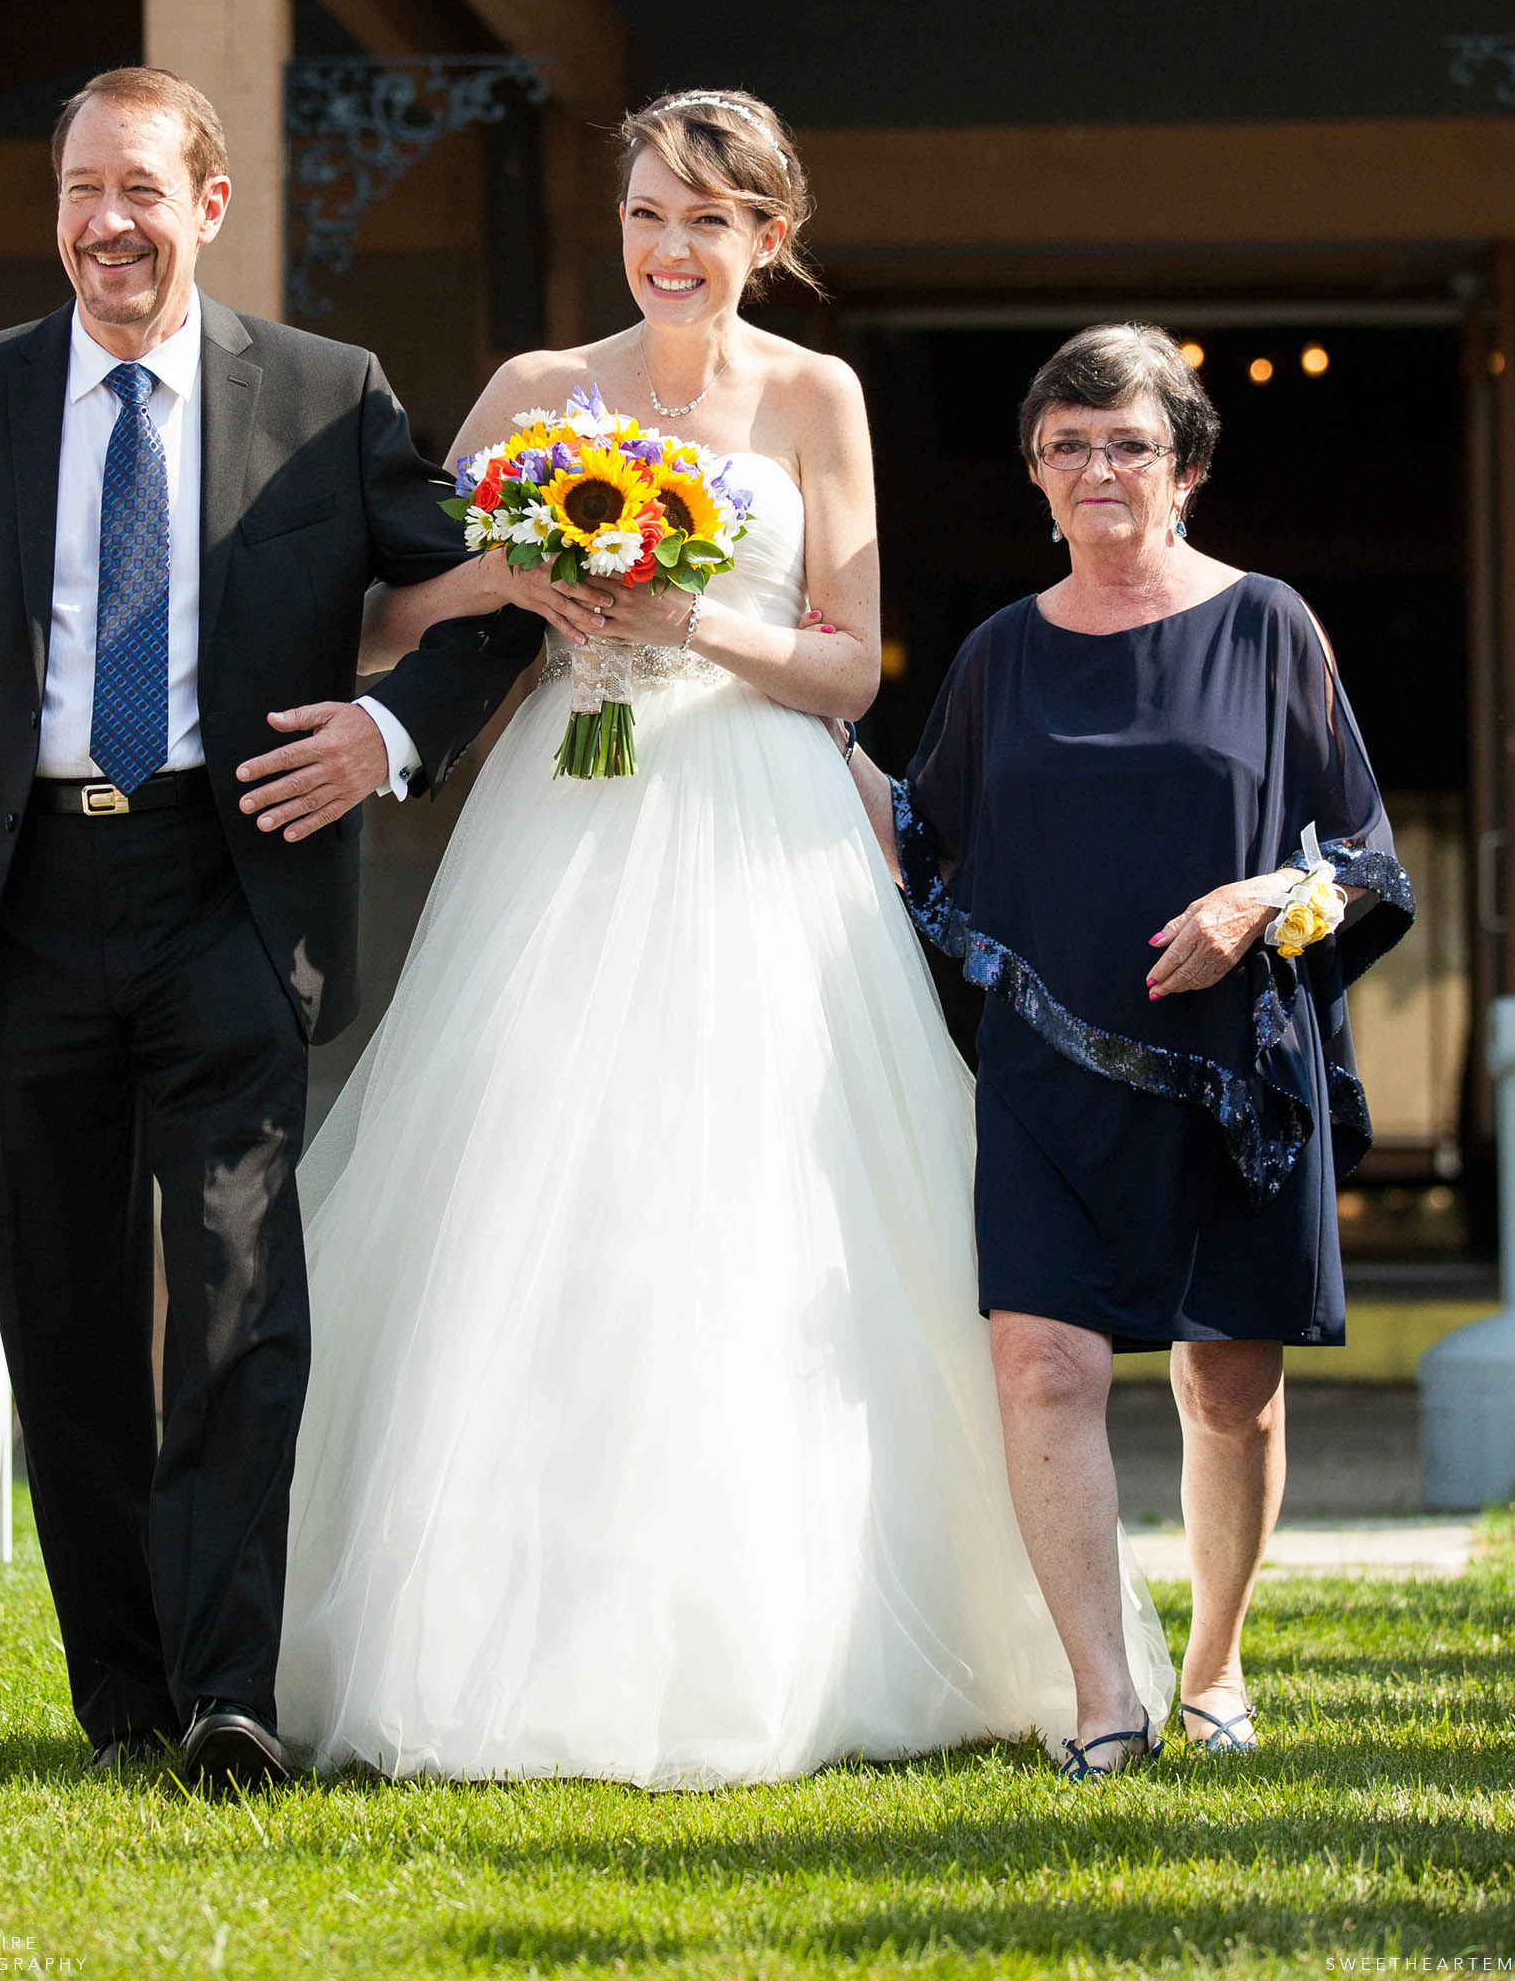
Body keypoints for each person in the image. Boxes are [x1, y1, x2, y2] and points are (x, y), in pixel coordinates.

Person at [272, 91, 1172, 1785]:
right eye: (644, 217)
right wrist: (521, 577)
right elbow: (390, 603)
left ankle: (806, 1623)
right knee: (543, 1195)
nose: (670, 251)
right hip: (562, 811)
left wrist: (697, 619)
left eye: (707, 220)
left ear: (770, 236)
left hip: (755, 813)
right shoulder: (540, 396)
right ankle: (507, 1625)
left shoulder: (818, 397)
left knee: (773, 1205)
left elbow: (851, 664)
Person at [0, 67, 539, 1788]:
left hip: (234, 887)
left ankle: (228, 1696)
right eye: (78, 191)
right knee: (62, 1317)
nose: (104, 225)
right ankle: (123, 1693)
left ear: (209, 205)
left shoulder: (325, 395)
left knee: (229, 1301)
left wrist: (387, 734)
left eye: (138, 189)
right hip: (27, 899)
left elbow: (505, 587)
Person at [847, 323, 1413, 1773]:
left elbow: (1361, 854)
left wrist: (1256, 904)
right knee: (1043, 1364)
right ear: (1037, 477)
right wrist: (756, 706)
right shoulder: (998, 652)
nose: (1097, 469)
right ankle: (1106, 1699)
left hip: (1235, 1062)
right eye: (1067, 446)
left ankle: (1215, 1664)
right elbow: (922, 841)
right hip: (1044, 1071)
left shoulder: (1269, 622)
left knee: (1233, 1380)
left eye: (1129, 444)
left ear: (1188, 468)